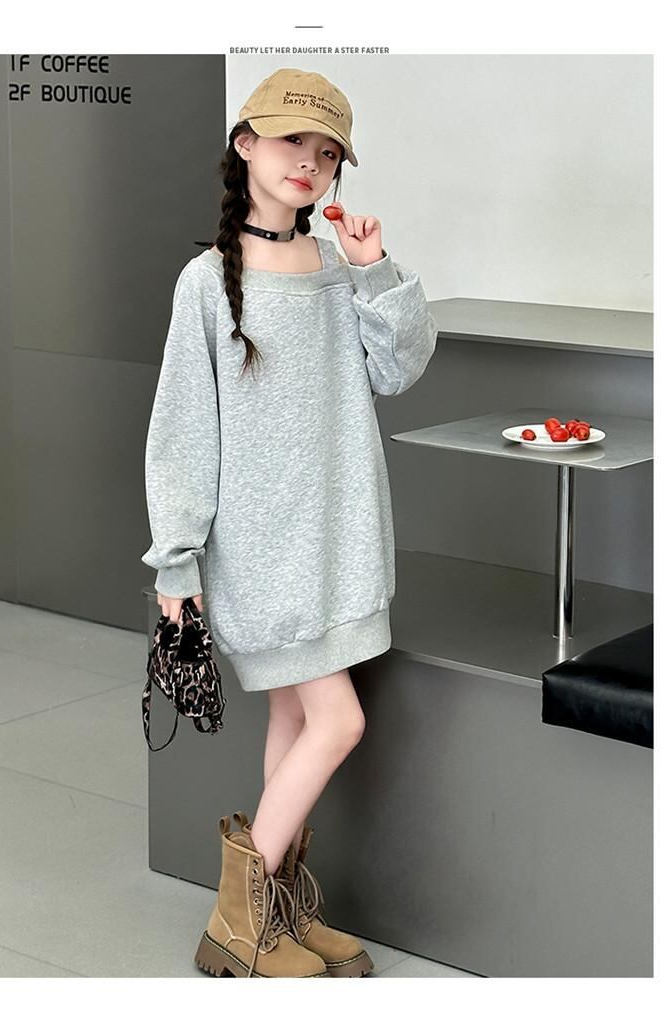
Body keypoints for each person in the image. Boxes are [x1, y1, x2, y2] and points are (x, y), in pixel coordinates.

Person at [141, 67, 438, 978]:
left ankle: (277, 911)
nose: (308, 161)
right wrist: (176, 562)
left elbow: (400, 370)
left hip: (338, 539)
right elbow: (181, 430)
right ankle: (238, 921)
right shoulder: (205, 282)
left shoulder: (336, 269)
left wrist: (374, 267)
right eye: (289, 140)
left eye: (327, 151)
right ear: (245, 145)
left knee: (294, 714)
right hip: (261, 552)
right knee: (337, 721)